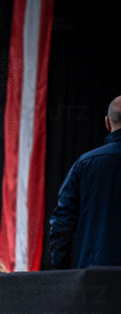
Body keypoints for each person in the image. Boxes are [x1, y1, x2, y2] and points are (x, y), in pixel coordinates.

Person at [48, 96, 121, 269]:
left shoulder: (85, 164)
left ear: (107, 123)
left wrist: (61, 273)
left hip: (96, 279)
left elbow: (61, 224)